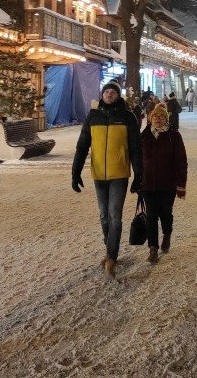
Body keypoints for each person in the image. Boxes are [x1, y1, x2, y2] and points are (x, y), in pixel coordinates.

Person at [72, 81, 143, 278]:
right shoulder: (93, 117)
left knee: (115, 216)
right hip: (99, 174)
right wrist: (75, 172)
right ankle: (109, 247)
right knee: (104, 216)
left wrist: (139, 175)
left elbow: (136, 149)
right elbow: (82, 145)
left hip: (119, 173)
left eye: (113, 92)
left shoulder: (128, 117)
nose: (109, 94)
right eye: (107, 92)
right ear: (102, 95)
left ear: (118, 96)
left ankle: (112, 256)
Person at [140, 103, 188, 264]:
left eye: (161, 116)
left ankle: (167, 234)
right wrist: (138, 180)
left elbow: (181, 161)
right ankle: (153, 248)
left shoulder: (173, 136)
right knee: (152, 215)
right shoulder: (144, 136)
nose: (158, 119)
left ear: (166, 119)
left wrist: (181, 184)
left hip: (168, 184)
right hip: (148, 184)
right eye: (155, 116)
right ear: (150, 119)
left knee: (165, 214)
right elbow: (138, 161)